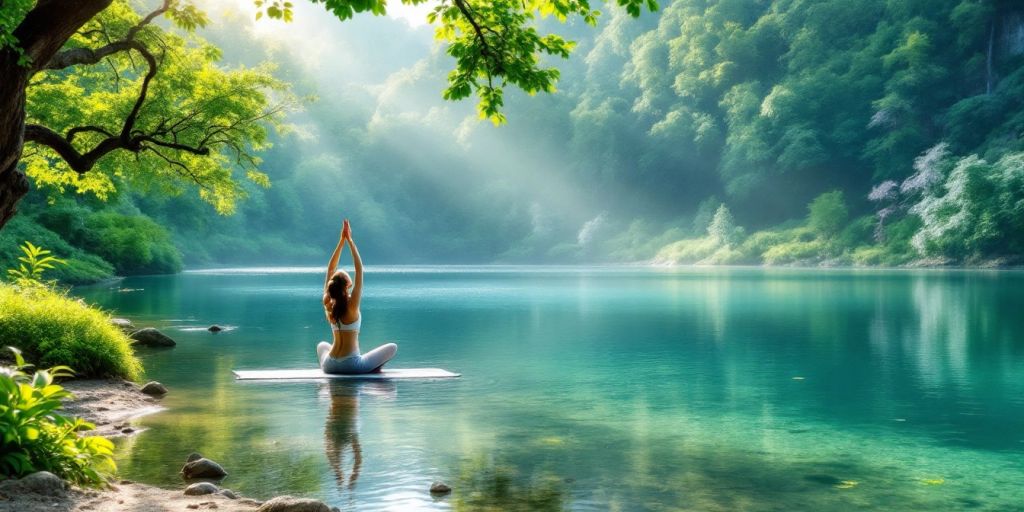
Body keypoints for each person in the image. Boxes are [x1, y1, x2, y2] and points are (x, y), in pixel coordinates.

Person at [317, 219, 397, 374]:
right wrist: (350, 241)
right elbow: (359, 270)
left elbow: (330, 269)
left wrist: (341, 242)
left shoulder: (328, 303)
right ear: (349, 285)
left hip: (330, 365)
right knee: (393, 347)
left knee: (322, 345)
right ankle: (369, 369)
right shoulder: (352, 306)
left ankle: (363, 366)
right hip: (351, 366)